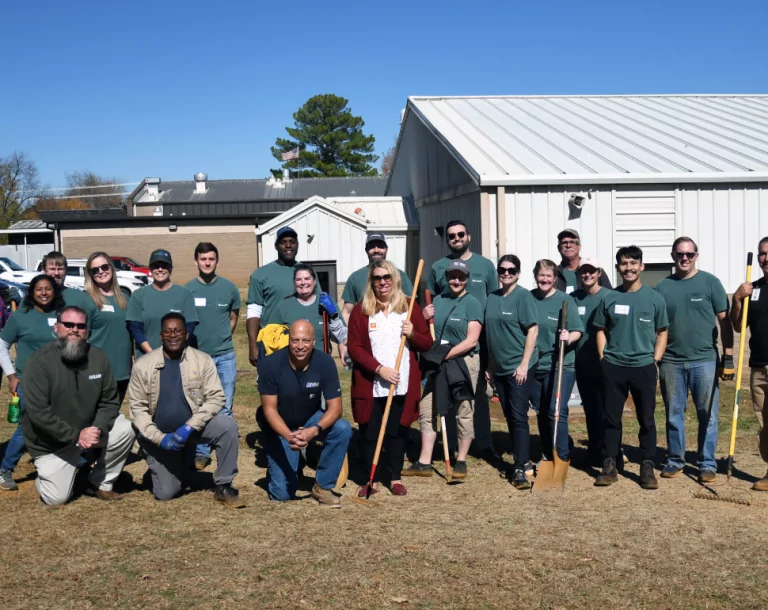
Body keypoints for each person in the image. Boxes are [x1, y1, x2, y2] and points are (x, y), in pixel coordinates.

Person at [21, 306, 135, 505]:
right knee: (56, 499)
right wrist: (75, 436)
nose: (75, 329)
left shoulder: (99, 358)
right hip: (52, 442)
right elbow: (38, 413)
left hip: (89, 432)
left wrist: (97, 427)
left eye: (81, 326)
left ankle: (100, 482)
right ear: (57, 327)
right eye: (69, 325)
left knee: (125, 428)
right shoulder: (38, 362)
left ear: (87, 331)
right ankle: (49, 477)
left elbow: (109, 400)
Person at [129, 313, 244, 507]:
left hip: (193, 429)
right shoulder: (143, 365)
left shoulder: (202, 360)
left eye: (178, 331)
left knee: (227, 425)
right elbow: (137, 409)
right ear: (160, 335)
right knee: (167, 493)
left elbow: (216, 397)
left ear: (186, 334)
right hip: (160, 436)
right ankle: (161, 466)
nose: (173, 335)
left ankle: (224, 484)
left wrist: (188, 428)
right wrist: (160, 438)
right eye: (168, 331)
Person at [348, 260, 432, 497]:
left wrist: (413, 333)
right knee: (370, 431)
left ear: (394, 279)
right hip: (372, 383)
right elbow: (354, 348)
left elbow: (426, 343)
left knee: (397, 430)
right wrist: (378, 369)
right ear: (371, 282)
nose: (382, 282)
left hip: (402, 382)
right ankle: (371, 479)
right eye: (377, 278)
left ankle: (394, 476)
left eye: (386, 277)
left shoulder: (408, 306)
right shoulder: (361, 309)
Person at [656, 237, 733, 483]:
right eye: (680, 254)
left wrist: (728, 356)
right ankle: (675, 460)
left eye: (689, 254)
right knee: (673, 413)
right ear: (673, 256)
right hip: (671, 361)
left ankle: (707, 463)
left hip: (705, 360)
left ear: (696, 255)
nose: (685, 258)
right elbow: (656, 326)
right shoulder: (662, 287)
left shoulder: (710, 282)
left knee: (707, 413)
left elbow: (724, 320)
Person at [593, 246, 668, 490]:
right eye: (624, 264)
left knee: (646, 418)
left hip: (643, 366)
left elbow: (662, 332)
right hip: (614, 366)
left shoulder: (655, 298)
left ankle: (646, 465)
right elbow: (601, 330)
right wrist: (604, 359)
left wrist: (655, 360)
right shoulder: (609, 297)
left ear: (642, 266)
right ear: (617, 268)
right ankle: (610, 463)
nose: (629, 268)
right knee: (611, 419)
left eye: (633, 263)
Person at [257, 320, 352, 506]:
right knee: (282, 495)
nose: (300, 346)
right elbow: (269, 409)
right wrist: (290, 436)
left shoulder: (325, 362)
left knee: (342, 428)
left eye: (306, 341)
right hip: (280, 426)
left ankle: (323, 486)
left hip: (310, 419)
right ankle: (279, 465)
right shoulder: (271, 364)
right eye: (295, 340)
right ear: (289, 340)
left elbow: (336, 408)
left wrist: (313, 431)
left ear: (314, 341)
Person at [403, 259, 483, 479]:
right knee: (427, 408)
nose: (456, 280)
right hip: (436, 362)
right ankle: (424, 462)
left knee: (463, 409)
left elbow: (471, 340)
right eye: (452, 276)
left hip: (463, 361)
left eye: (461, 277)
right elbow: (422, 331)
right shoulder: (437, 300)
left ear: (467, 279)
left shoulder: (473, 303)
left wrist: (444, 355)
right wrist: (423, 316)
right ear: (446, 278)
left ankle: (461, 460)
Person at [427, 220, 497, 460]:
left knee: (479, 392)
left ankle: (484, 442)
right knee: (449, 391)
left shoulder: (486, 266)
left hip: (480, 338)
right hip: (447, 343)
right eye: (451, 236)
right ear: (447, 240)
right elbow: (433, 302)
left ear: (469, 236)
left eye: (460, 234)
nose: (456, 238)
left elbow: (494, 298)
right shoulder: (438, 267)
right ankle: (453, 443)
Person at [0, 275, 64, 492]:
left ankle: (56, 463)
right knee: (27, 426)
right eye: (39, 289)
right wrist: (11, 375)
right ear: (32, 292)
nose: (44, 293)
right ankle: (5, 469)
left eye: (48, 289)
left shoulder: (61, 315)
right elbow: (2, 345)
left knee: (59, 422)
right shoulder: (20, 317)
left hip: (58, 381)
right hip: (29, 381)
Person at [483, 255, 539, 489]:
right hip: (499, 368)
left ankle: (520, 465)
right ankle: (522, 459)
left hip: (519, 367)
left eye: (511, 270)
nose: (506, 273)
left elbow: (533, 330)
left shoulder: (523, 296)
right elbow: (490, 335)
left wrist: (524, 364)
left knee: (518, 416)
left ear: (518, 273)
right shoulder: (492, 298)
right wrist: (489, 366)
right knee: (508, 414)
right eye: (502, 270)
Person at [184, 242, 241, 472]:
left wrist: (223, 337)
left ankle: (224, 452)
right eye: (203, 259)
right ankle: (201, 452)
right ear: (196, 261)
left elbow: (233, 316)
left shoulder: (229, 288)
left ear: (217, 261)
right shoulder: (187, 291)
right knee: (199, 406)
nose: (207, 263)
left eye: (211, 259)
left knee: (225, 406)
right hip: (198, 358)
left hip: (225, 357)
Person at [530, 259, 583, 469]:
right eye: (541, 275)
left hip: (561, 364)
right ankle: (547, 450)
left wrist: (568, 337)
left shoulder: (565, 301)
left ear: (554, 279)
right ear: (536, 276)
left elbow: (578, 330)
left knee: (555, 409)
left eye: (548, 276)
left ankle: (561, 455)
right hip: (536, 365)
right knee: (542, 411)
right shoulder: (528, 298)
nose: (544, 279)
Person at [246, 226, 317, 368]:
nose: (288, 245)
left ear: (297, 244)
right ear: (276, 246)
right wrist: (253, 345)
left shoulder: (306, 274)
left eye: (292, 241)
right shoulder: (261, 274)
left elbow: (318, 306)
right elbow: (254, 312)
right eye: (283, 242)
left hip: (304, 346)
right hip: (273, 346)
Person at [731, 236, 768, 491]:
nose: (766, 258)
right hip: (759, 366)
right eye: (762, 254)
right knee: (765, 423)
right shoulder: (751, 289)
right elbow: (737, 325)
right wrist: (736, 299)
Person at [572, 257, 611, 466]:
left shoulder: (609, 296)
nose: (587, 275)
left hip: (605, 363)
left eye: (591, 271)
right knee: (591, 410)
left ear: (599, 272)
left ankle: (610, 454)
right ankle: (594, 450)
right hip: (583, 363)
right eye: (583, 271)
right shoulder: (574, 298)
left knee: (607, 411)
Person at [126, 249, 198, 358]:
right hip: (147, 358)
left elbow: (189, 326)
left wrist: (173, 351)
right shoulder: (138, 295)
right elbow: (135, 329)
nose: (160, 269)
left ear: (171, 269)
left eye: (164, 265)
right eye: (156, 265)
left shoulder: (184, 294)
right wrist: (153, 354)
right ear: (150, 269)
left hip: (177, 357)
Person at [83, 252, 132, 404]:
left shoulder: (124, 297)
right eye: (95, 270)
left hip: (122, 370)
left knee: (113, 417)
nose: (100, 272)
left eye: (104, 267)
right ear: (90, 274)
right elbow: (81, 338)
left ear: (111, 268)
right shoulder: (86, 299)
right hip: (98, 371)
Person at [274, 263, 348, 361]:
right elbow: (272, 338)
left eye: (307, 278)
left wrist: (333, 316)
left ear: (314, 281)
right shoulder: (283, 306)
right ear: (294, 282)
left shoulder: (326, 303)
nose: (303, 282)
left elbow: (340, 337)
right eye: (298, 279)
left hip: (320, 363)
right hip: (291, 363)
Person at [341, 232, 413, 324]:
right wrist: (346, 336)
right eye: (372, 246)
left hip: (396, 333)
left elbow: (412, 308)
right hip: (366, 333)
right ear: (366, 250)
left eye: (380, 246)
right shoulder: (355, 278)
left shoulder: (400, 275)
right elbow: (347, 312)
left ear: (386, 249)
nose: (376, 250)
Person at [41, 251, 98, 323]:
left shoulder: (79, 297)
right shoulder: (34, 297)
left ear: (66, 270)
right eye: (52, 269)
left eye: (60, 269)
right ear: (44, 270)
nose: (56, 273)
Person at [555, 229, 613, 294]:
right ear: (558, 248)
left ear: (579, 247)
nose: (568, 245)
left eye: (572, 242)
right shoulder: (554, 273)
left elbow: (609, 296)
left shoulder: (594, 271)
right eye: (564, 242)